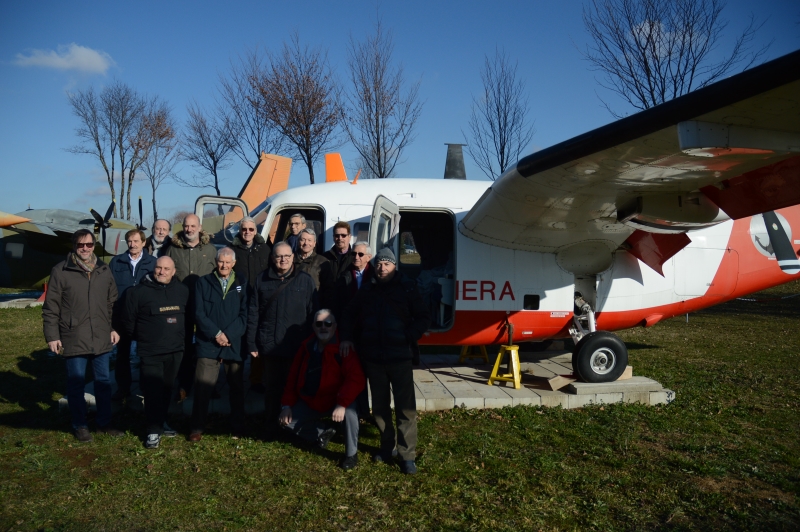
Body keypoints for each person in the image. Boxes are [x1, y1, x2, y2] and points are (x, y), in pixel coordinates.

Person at [340, 248, 430, 474]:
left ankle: (407, 455)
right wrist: (349, 338)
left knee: (405, 408)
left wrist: (408, 336)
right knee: (379, 408)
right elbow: (349, 313)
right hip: (373, 359)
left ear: (394, 267)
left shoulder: (407, 287)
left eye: (387, 264)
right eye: (379, 264)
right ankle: (386, 446)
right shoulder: (367, 289)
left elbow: (423, 317)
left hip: (400, 357)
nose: (382, 268)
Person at [42, 229, 123, 442]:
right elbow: (51, 307)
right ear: (74, 247)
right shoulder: (61, 271)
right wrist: (52, 335)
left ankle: (104, 422)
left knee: (103, 382)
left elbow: (111, 302)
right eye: (80, 245)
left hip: (101, 336)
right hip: (74, 335)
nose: (85, 249)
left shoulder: (103, 269)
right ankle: (80, 424)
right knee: (76, 383)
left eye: (89, 245)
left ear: (94, 245)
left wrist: (113, 328)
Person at [279, 309, 365, 470]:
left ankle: (351, 454)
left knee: (350, 414)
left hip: (337, 401)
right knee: (285, 421)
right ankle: (322, 432)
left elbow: (356, 378)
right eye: (319, 324)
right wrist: (286, 406)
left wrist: (342, 403)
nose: (323, 327)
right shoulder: (306, 348)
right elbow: (292, 378)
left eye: (328, 323)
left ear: (335, 326)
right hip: (313, 400)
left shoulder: (344, 348)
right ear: (313, 326)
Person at [246, 242, 316, 438]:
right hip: (270, 346)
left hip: (297, 346)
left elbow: (313, 314)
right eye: (279, 256)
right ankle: (271, 426)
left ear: (293, 257)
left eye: (286, 256)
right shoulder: (262, 279)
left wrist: (311, 342)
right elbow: (253, 314)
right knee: (272, 390)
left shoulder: (305, 280)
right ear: (272, 258)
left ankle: (293, 427)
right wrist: (252, 343)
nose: (283, 259)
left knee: (296, 387)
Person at [124, 256, 189, 449]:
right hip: (151, 351)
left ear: (173, 271)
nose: (162, 272)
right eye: (158, 268)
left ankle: (161, 422)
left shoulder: (183, 291)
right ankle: (153, 430)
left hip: (175, 350)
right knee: (152, 390)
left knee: (167, 389)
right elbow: (128, 323)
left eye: (166, 269)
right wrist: (145, 337)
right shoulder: (138, 292)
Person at [189, 247, 248, 442]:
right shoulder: (203, 282)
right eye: (221, 261)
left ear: (234, 263)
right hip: (208, 342)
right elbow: (199, 313)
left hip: (234, 342)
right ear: (216, 262)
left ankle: (238, 425)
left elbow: (245, 314)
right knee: (202, 387)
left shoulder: (242, 282)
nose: (224, 265)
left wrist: (229, 335)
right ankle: (197, 427)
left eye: (228, 262)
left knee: (237, 388)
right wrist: (216, 334)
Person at [166, 214, 216, 400]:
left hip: (204, 306)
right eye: (186, 226)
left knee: (206, 345)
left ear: (199, 227)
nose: (189, 229)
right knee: (183, 346)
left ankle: (208, 384)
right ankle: (183, 384)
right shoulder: (173, 249)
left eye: (193, 226)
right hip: (182, 306)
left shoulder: (210, 250)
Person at [109, 229, 156, 400]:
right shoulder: (117, 262)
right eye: (129, 241)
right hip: (122, 315)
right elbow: (110, 288)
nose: (132, 245)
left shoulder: (152, 263)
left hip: (144, 316)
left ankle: (144, 387)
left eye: (136, 241)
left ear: (144, 243)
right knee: (122, 353)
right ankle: (123, 388)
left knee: (144, 353)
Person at [231, 216, 272, 394]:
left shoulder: (265, 249)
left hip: (260, 301)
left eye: (250, 229)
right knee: (239, 340)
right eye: (244, 229)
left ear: (256, 231)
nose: (247, 232)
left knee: (257, 340)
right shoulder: (232, 250)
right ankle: (236, 378)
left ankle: (256, 379)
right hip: (239, 302)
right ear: (240, 231)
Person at [319, 221, 354, 311]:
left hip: (348, 307)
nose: (340, 238)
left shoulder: (355, 258)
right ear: (333, 237)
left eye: (343, 235)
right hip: (328, 307)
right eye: (337, 235)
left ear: (349, 237)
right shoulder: (324, 258)